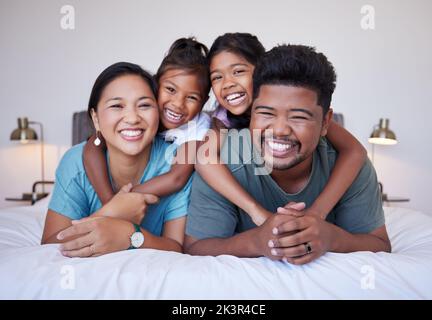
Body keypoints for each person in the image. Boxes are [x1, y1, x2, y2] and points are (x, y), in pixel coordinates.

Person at [185, 44, 391, 265]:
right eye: (265, 113)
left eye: (299, 117)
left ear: (326, 123)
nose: (280, 130)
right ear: (251, 111)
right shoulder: (224, 160)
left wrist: (331, 237)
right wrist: (257, 241)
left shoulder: (347, 163)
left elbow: (379, 244)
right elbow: (195, 248)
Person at [195, 33, 368, 225]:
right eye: (217, 77)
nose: (227, 83)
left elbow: (355, 151)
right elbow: (203, 159)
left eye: (238, 72)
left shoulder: (309, 117)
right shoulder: (222, 120)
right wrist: (256, 211)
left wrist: (318, 212)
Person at [41, 62, 192, 257]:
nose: (132, 118)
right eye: (116, 106)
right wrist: (112, 213)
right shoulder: (75, 161)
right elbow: (50, 246)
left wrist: (131, 235)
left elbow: (176, 248)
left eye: (144, 105)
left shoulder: (176, 161)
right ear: (95, 119)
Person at [82, 38, 211, 205]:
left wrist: (121, 200)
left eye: (192, 97)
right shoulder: (140, 116)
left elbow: (176, 178)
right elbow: (94, 145)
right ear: (155, 84)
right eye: (170, 89)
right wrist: (108, 200)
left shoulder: (198, 128)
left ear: (204, 102)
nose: (178, 104)